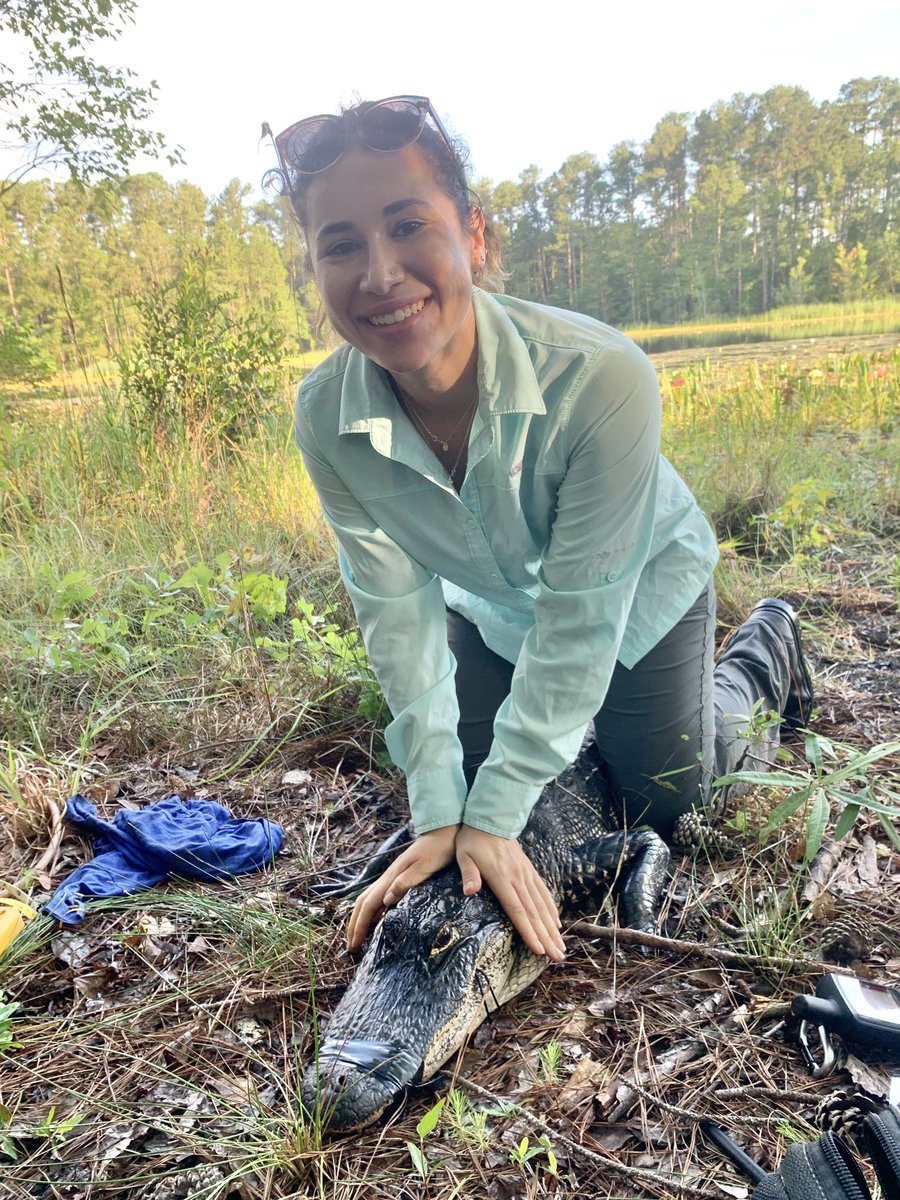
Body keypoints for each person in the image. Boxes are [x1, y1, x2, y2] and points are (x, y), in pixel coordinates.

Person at [268, 96, 814, 964]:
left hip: (639, 589)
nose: (378, 274)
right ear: (313, 265)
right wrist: (447, 810)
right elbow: (394, 611)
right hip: (488, 606)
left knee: (670, 802)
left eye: (408, 224)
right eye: (340, 243)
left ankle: (762, 656)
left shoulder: (601, 377)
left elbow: (582, 614)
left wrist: (495, 810)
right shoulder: (323, 416)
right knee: (479, 804)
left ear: (472, 235)